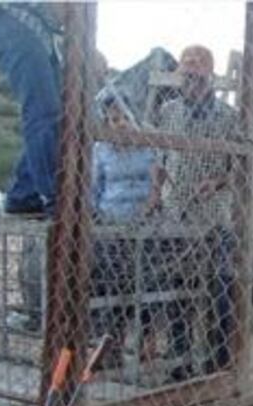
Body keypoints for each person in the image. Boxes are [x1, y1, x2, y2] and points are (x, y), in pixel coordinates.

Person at [149, 44, 238, 381]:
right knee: (175, 290)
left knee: (218, 288)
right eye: (187, 65)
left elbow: (241, 168)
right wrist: (156, 193)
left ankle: (218, 361)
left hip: (213, 217)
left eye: (200, 65)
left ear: (211, 75)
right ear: (178, 74)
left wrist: (217, 181)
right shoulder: (168, 111)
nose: (192, 70)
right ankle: (180, 360)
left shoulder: (228, 117)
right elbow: (158, 159)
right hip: (175, 215)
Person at [0, 2, 64, 217]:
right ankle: (54, 197)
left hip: (39, 30)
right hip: (13, 16)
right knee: (43, 110)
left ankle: (24, 194)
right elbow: (63, 8)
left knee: (55, 114)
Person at [89, 92, 157, 369]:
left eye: (125, 118)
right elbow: (94, 189)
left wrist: (145, 212)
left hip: (143, 225)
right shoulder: (101, 149)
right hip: (110, 225)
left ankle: (146, 344)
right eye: (114, 119)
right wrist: (97, 218)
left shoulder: (149, 145)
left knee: (145, 284)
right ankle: (111, 347)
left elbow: (156, 187)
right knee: (110, 286)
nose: (120, 124)